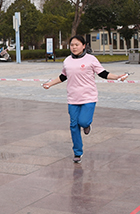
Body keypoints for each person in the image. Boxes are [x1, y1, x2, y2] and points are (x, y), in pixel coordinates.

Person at [42, 35, 127, 163]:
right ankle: (77, 152)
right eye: (72, 45)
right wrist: (50, 84)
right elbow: (63, 76)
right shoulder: (67, 61)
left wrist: (117, 77)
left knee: (83, 121)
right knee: (73, 125)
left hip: (88, 97)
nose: (74, 47)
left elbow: (103, 73)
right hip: (73, 98)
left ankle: (86, 125)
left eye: (77, 45)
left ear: (83, 46)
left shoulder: (91, 59)